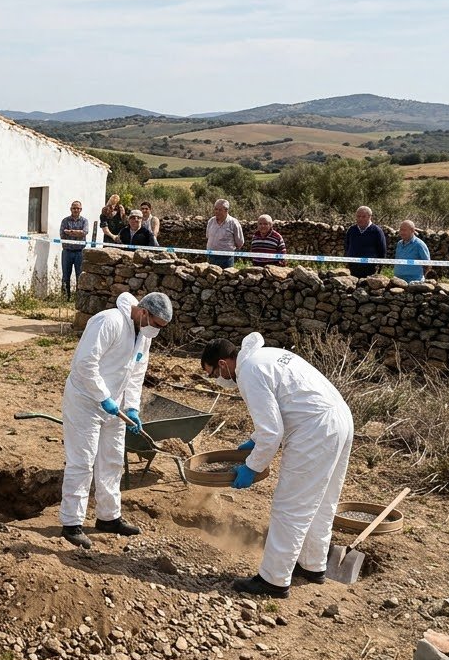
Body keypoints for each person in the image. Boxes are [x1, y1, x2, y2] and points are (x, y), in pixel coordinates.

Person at [200, 333, 355, 599]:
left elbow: (272, 431)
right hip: (340, 419)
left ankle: (273, 580)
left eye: (213, 373)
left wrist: (252, 466)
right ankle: (313, 565)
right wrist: (254, 440)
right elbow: (285, 404)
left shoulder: (248, 371)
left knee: (290, 506)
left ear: (224, 364)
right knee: (323, 501)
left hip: (314, 430)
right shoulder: (266, 356)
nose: (217, 380)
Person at [59, 291, 174, 549]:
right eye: (156, 325)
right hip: (85, 401)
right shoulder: (108, 321)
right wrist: (103, 397)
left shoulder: (143, 336)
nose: (156, 331)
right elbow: (84, 364)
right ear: (143, 312)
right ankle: (71, 523)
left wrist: (131, 408)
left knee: (112, 461)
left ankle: (109, 517)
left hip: (116, 405)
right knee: (83, 461)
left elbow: (136, 373)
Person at [343, 206, 386, 279]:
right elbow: (346, 246)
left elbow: (382, 250)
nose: (360, 219)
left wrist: (379, 268)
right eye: (358, 216)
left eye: (363, 216)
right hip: (353, 268)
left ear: (370, 217)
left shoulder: (377, 231)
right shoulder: (352, 230)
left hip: (370, 269)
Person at [60, 201, 89, 296]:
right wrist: (78, 233)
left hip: (79, 252)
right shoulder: (65, 221)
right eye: (74, 208)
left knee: (80, 275)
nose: (76, 210)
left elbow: (84, 232)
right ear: (71, 209)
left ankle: (79, 297)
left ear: (81, 209)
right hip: (67, 252)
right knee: (66, 275)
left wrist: (71, 232)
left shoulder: (84, 221)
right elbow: (62, 234)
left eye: (78, 208)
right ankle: (65, 297)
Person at [206, 199, 245, 268]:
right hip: (211, 256)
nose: (217, 212)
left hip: (226, 259)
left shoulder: (234, 223)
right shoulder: (211, 221)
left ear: (226, 210)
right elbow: (208, 236)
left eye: (220, 210)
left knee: (227, 277)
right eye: (216, 209)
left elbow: (240, 243)